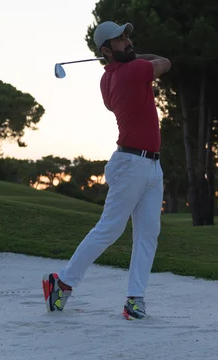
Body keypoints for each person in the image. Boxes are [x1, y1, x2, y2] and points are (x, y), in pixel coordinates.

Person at [42, 21, 171, 320]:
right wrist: (139, 56)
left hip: (150, 165)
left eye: (127, 36)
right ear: (105, 49)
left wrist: (127, 55)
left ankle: (134, 299)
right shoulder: (134, 71)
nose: (127, 41)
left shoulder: (108, 79)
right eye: (120, 39)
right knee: (110, 228)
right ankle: (61, 283)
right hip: (131, 164)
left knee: (148, 234)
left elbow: (121, 85)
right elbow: (165, 62)